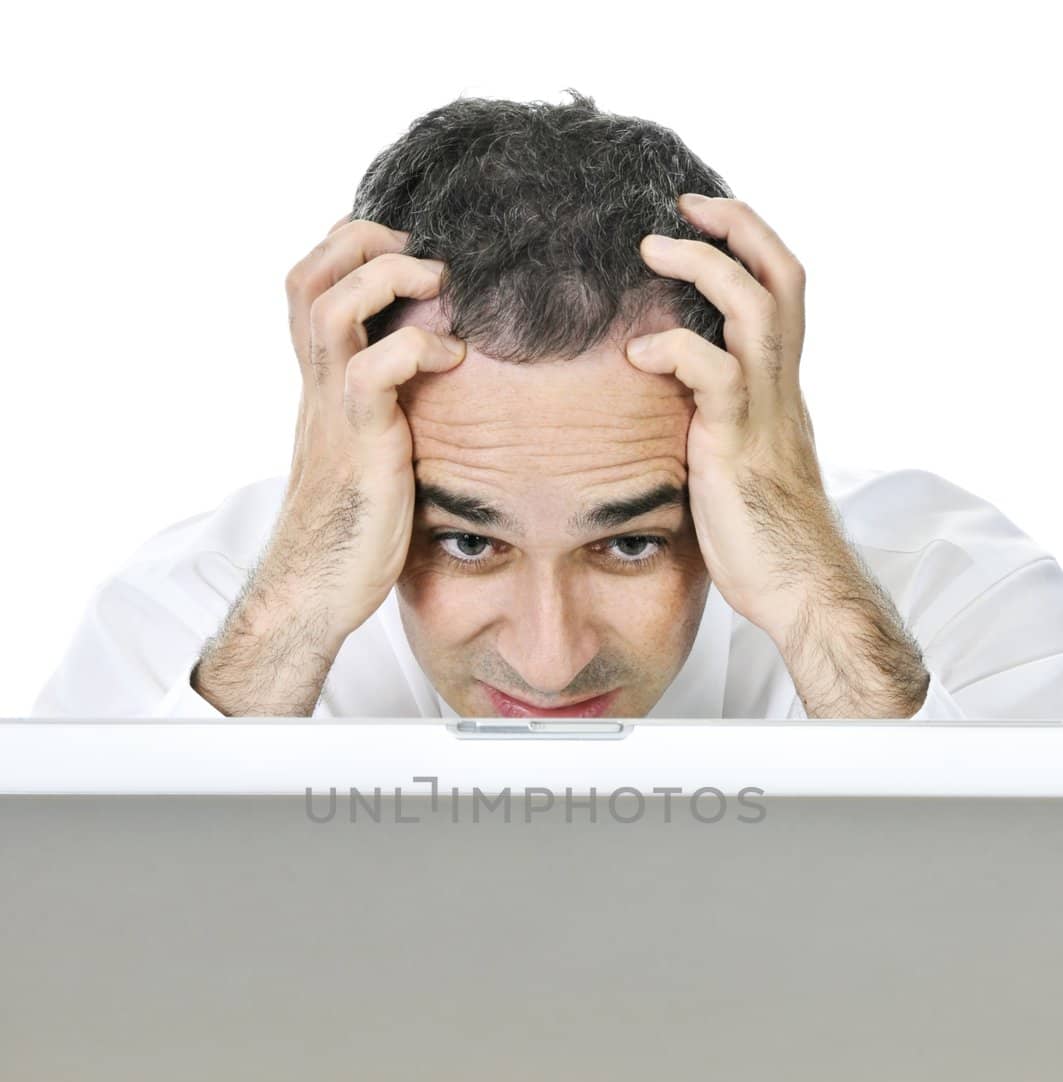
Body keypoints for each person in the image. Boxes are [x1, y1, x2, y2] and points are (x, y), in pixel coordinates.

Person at [31, 91, 1063, 722]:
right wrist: (290, 616)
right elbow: (47, 996)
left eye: (630, 545)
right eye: (467, 541)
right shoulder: (192, 611)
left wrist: (813, 592)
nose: (549, 658)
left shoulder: (945, 591)